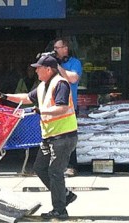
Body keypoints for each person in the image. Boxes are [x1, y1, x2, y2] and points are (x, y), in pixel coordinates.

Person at [0, 55, 78, 220]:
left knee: (55, 172)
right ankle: (65, 196)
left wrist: (42, 110)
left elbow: (62, 108)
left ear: (48, 69)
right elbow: (27, 98)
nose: (35, 70)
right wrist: (6, 97)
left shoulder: (60, 84)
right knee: (40, 168)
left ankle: (60, 211)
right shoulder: (43, 86)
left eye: (38, 68)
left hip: (63, 136)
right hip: (50, 136)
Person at [52, 38, 82, 177]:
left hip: (69, 107)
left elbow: (73, 78)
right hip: (54, 106)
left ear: (65, 48)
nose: (56, 50)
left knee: (69, 137)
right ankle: (55, 165)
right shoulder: (51, 64)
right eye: (54, 48)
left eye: (58, 48)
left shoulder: (74, 63)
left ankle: (71, 165)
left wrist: (58, 67)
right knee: (54, 137)